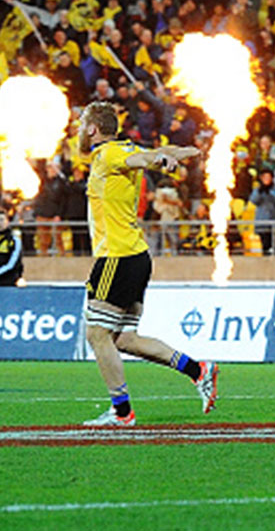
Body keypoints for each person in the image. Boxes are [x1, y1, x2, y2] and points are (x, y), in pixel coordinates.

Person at [76, 102, 217, 427]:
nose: (80, 129)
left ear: (94, 129)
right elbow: (149, 153)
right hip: (136, 257)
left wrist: (162, 160)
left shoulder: (110, 154)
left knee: (97, 333)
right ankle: (198, 370)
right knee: (124, 339)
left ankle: (122, 413)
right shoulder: (119, 149)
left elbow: (144, 158)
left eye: (84, 124)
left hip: (117, 257)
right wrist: (179, 152)